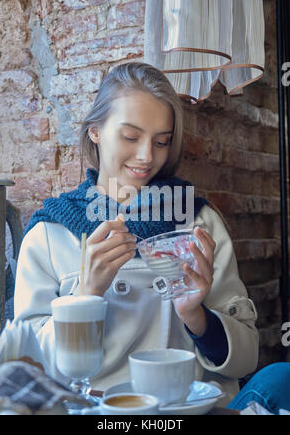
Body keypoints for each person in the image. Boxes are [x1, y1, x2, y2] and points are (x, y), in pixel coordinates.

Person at [14, 62, 259, 407]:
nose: (147, 157)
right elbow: (27, 370)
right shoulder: (49, 233)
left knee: (279, 379)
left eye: (161, 142)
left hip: (185, 407)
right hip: (95, 409)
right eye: (130, 137)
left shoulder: (197, 221)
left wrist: (195, 317)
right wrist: (86, 294)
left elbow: (247, 359)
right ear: (95, 130)